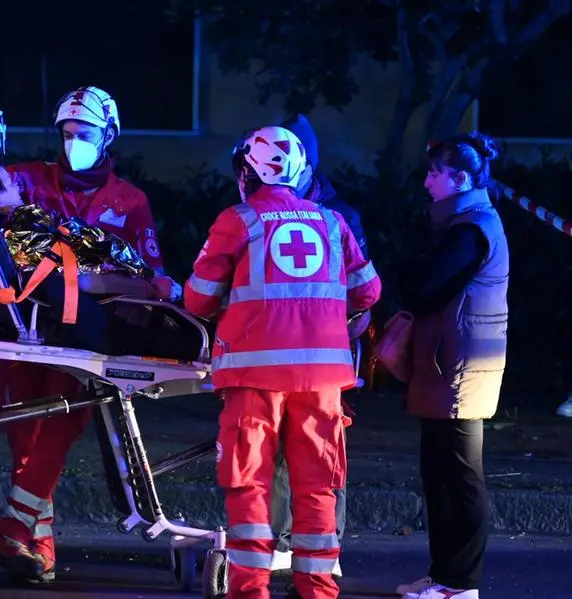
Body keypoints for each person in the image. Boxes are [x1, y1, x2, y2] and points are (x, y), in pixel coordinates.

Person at [0, 86, 179, 583]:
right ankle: (36, 548)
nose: (72, 143)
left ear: (108, 137)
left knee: (57, 432)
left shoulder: (130, 202)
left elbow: (151, 277)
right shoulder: (31, 179)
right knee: (22, 434)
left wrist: (90, 281)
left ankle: (13, 533)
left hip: (84, 340)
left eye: (83, 134)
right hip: (25, 330)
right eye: (66, 134)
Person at [184, 126, 381, 599]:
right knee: (317, 487)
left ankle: (250, 591)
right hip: (322, 381)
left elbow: (198, 299)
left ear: (249, 171)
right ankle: (317, 589)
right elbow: (369, 291)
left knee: (249, 484)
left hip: (255, 375)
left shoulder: (239, 220)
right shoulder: (333, 223)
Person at [395, 132, 507, 599]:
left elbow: (426, 288)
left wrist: (403, 272)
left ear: (459, 178)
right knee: (439, 476)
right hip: (449, 367)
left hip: (460, 371)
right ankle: (444, 577)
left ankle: (460, 584)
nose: (426, 183)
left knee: (458, 480)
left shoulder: (469, 229)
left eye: (434, 174)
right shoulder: (464, 224)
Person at [268, 114, 370, 578]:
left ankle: (321, 550)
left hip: (322, 360)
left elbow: (362, 298)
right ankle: (283, 544)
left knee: (320, 452)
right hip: (274, 355)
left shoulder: (339, 218)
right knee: (276, 451)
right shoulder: (261, 210)